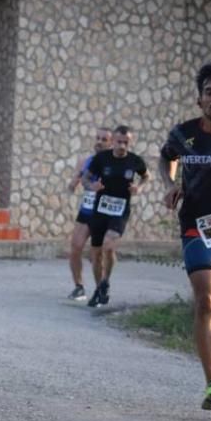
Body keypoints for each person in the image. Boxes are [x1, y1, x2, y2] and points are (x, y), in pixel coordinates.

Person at [159, 60, 211, 409]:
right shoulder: (183, 134)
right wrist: (171, 184)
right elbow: (165, 157)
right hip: (197, 225)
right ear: (200, 100)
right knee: (207, 301)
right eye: (210, 92)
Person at [84, 125, 148, 307]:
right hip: (100, 210)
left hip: (120, 211)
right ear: (113, 141)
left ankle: (106, 280)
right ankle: (99, 289)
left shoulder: (135, 161)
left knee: (109, 245)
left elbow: (146, 176)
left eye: (125, 142)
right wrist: (91, 186)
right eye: (119, 142)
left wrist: (139, 188)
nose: (122, 146)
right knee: (95, 254)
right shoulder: (101, 159)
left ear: (130, 142)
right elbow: (86, 178)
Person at [67, 127, 113, 300]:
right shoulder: (87, 161)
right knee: (75, 248)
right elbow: (76, 181)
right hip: (87, 210)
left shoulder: (113, 163)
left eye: (104, 139)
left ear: (110, 143)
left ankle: (101, 288)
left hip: (103, 213)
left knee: (97, 254)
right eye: (98, 138)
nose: (99, 142)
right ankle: (79, 287)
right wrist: (73, 182)